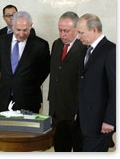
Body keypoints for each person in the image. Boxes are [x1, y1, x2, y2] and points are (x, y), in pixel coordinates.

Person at [0, 11, 50, 113]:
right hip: (5, 96)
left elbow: (45, 69)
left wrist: (28, 84)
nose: (21, 34)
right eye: (18, 30)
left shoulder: (40, 45)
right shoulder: (1, 41)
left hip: (29, 98)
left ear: (31, 26)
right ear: (12, 26)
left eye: (25, 30)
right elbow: (1, 64)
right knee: (5, 128)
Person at [76, 13, 116, 152]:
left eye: (81, 33)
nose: (78, 36)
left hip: (101, 123)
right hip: (84, 121)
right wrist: (78, 111)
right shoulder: (84, 50)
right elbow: (82, 84)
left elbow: (116, 89)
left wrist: (111, 120)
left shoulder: (112, 50)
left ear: (94, 30)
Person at [48, 11, 84, 152]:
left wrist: (80, 109)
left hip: (75, 112)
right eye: (60, 30)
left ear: (77, 29)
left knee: (79, 149)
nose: (62, 34)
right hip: (57, 110)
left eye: (66, 31)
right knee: (60, 149)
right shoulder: (57, 44)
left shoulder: (84, 47)